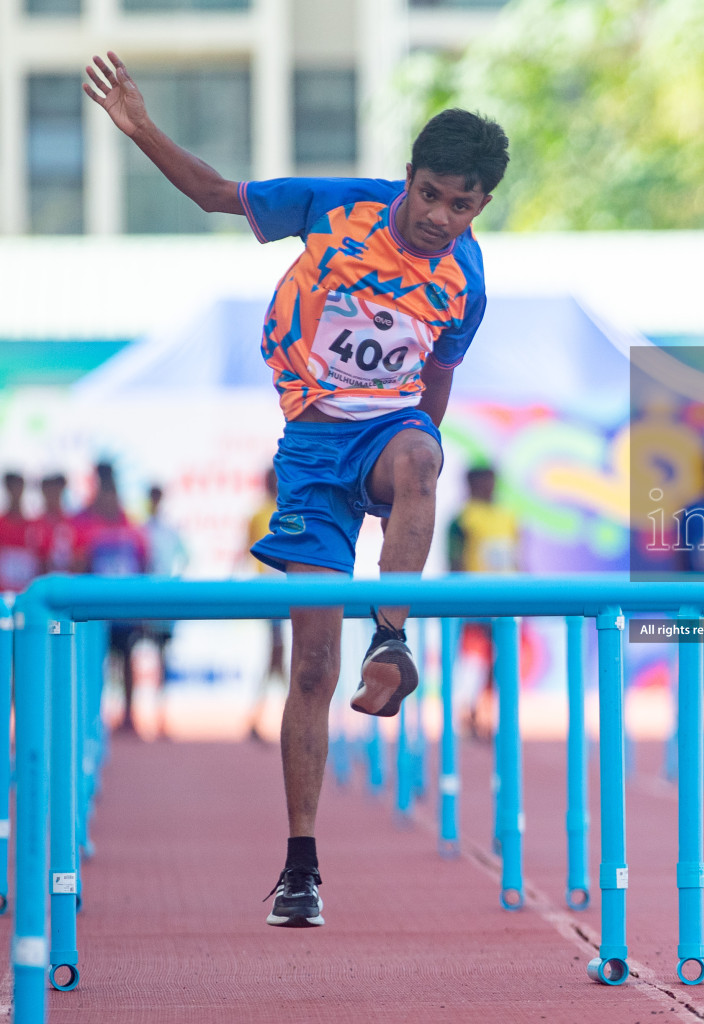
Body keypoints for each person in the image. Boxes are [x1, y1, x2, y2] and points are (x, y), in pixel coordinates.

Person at [86, 50, 508, 926]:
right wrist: (140, 127)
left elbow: (435, 390)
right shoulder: (335, 205)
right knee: (311, 663)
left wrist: (412, 459)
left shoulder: (466, 281)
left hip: (390, 436)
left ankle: (392, 643)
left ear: (481, 207)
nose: (439, 218)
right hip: (313, 450)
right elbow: (212, 193)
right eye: (429, 195)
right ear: (408, 179)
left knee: (426, 456)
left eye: (460, 206)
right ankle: (300, 865)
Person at [70, 462, 151, 735]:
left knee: (126, 658)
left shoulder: (128, 522)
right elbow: (78, 563)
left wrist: (142, 605)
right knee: (94, 662)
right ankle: (92, 715)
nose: (108, 495)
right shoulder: (84, 523)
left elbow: (143, 560)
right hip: (95, 607)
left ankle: (128, 716)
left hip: (124, 606)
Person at [446, 465, 519, 740]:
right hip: (476, 601)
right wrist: (463, 598)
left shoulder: (508, 515)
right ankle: (470, 714)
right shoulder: (462, 519)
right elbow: (456, 560)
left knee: (501, 665)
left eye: (491, 481)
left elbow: (517, 555)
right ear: (470, 485)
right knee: (475, 661)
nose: (488, 488)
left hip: (508, 600)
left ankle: (494, 718)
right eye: (482, 483)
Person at [142, 484, 189, 738]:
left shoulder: (170, 531)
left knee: (162, 656)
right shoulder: (142, 529)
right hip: (144, 598)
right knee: (130, 655)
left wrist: (175, 581)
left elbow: (185, 557)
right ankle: (135, 715)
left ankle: (160, 715)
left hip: (165, 599)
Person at [245, 467, 287, 743]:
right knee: (277, 654)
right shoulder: (258, 514)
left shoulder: (290, 508)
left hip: (291, 591)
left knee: (277, 658)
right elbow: (248, 549)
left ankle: (262, 715)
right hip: (270, 594)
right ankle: (284, 712)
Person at [0, 472, 40, 594]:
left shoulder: (34, 526)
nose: (15, 491)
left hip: (26, 594)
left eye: (18, 486)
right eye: (12, 486)